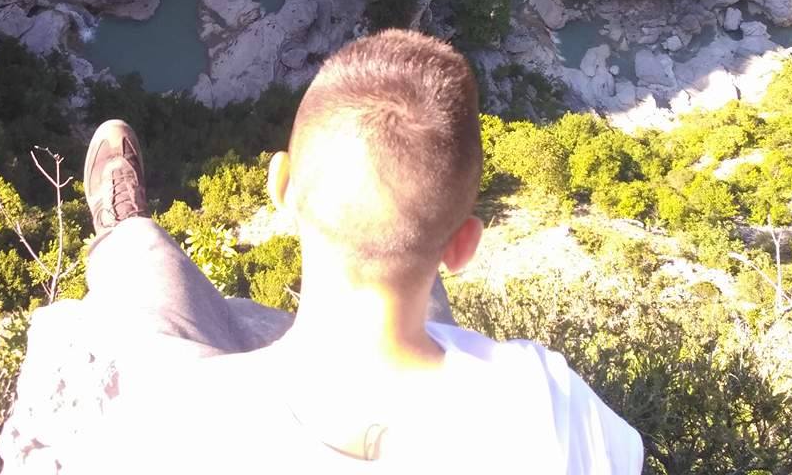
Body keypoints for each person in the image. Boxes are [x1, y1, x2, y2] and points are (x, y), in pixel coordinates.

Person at [74, 29, 643, 473]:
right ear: (464, 247)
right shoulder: (546, 402)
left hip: (205, 389)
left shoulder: (180, 422)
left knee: (144, 309)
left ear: (281, 186)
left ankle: (124, 228)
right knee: (413, 262)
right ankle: (412, 235)